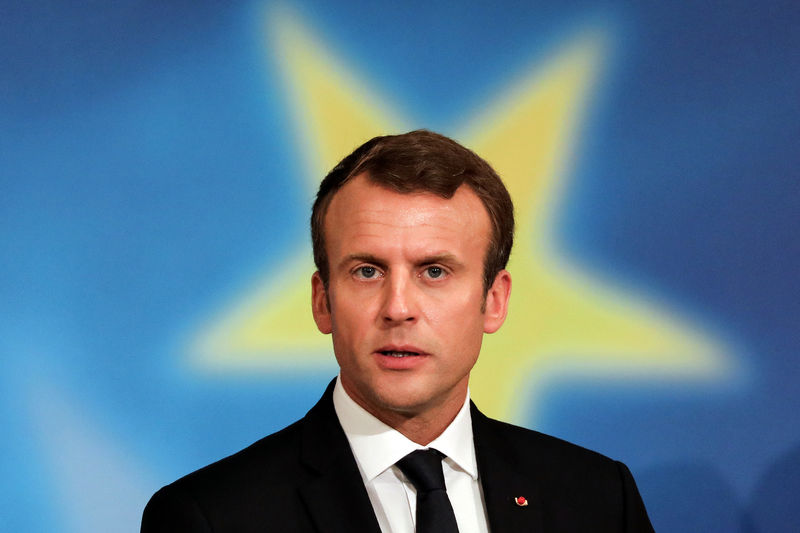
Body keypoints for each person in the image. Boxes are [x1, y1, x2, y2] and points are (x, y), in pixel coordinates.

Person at [141, 130, 655, 532]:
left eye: (434, 271)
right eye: (367, 271)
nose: (398, 308)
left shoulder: (598, 498)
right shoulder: (209, 518)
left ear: (493, 301)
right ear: (323, 301)